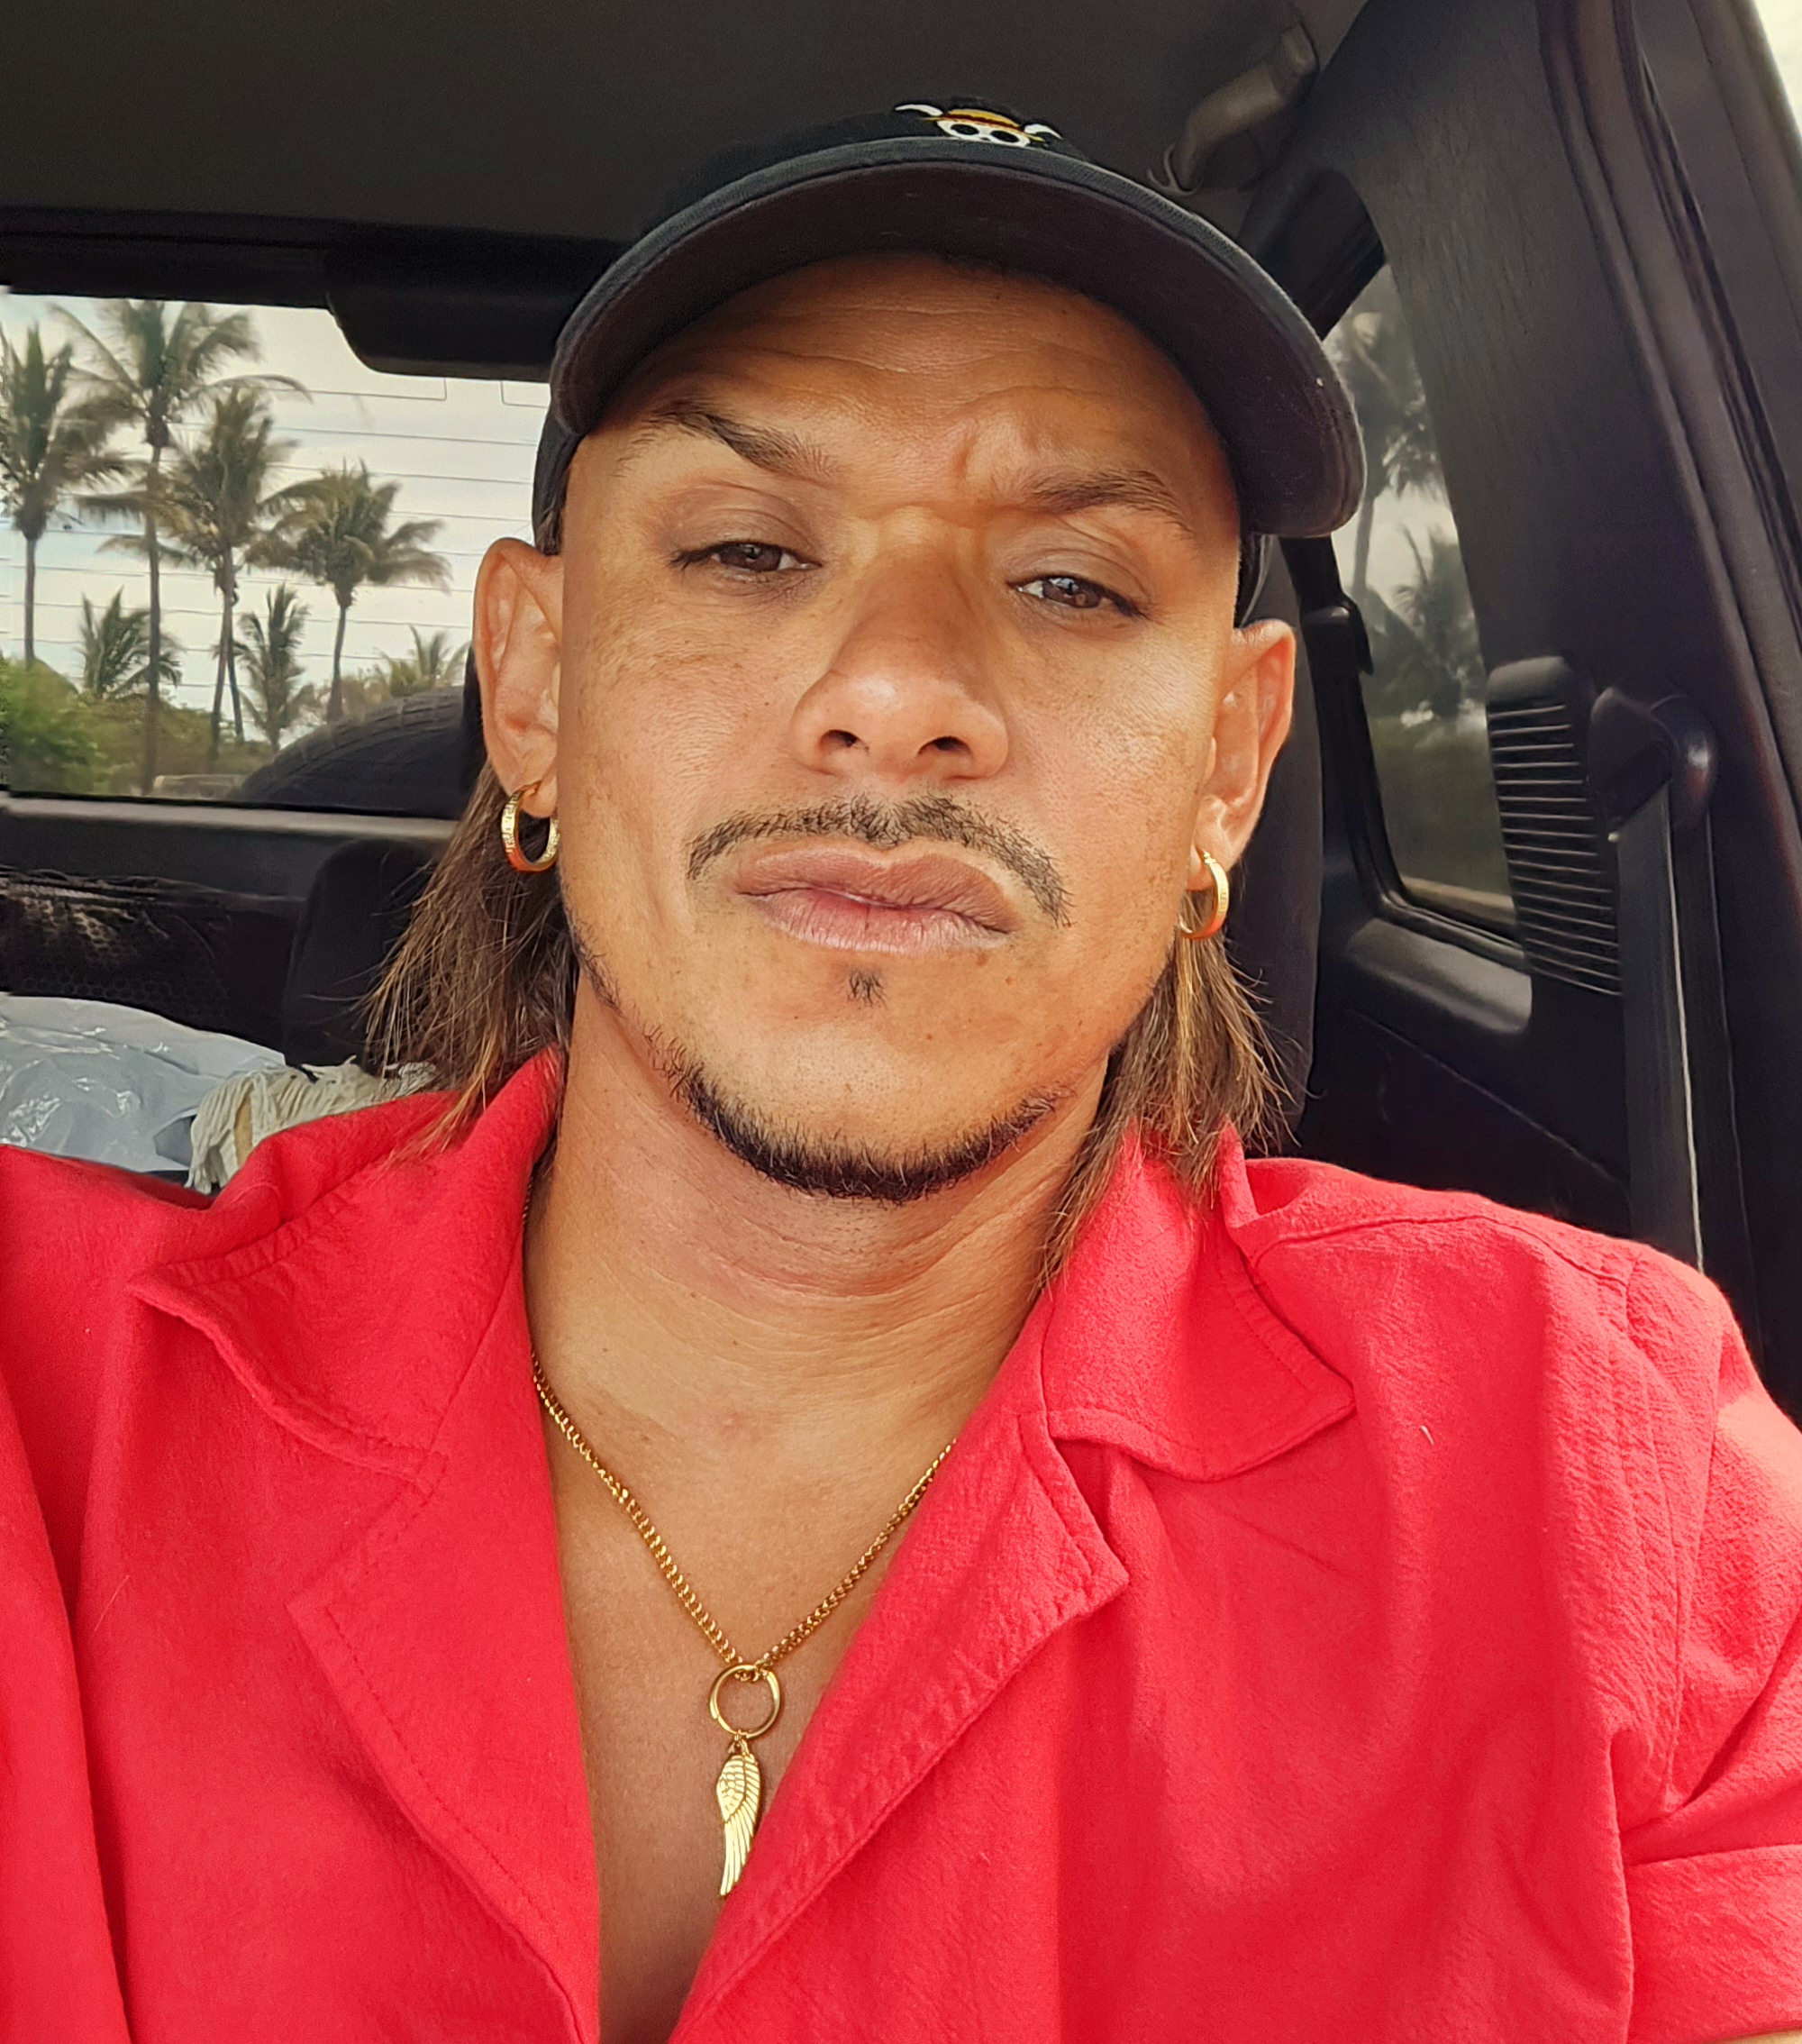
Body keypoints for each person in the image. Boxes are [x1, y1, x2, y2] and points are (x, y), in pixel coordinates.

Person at [4, 103, 1800, 2044]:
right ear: (533, 685)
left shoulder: (1608, 1486)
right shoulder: (46, 1400)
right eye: (747, 547)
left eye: (1073, 584)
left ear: (1226, 762)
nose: (897, 692)